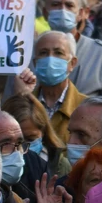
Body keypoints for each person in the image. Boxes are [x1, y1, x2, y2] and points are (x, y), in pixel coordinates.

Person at [19, 30, 86, 158]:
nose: (50, 58)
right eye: (43, 53)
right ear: (35, 62)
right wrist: (22, 97)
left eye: (58, 53)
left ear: (72, 63)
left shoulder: (85, 107)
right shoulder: (25, 101)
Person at [46, 0, 102, 95]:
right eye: (55, 4)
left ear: (81, 14)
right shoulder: (29, 52)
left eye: (69, 5)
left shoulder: (101, 54)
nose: (63, 10)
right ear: (45, 12)